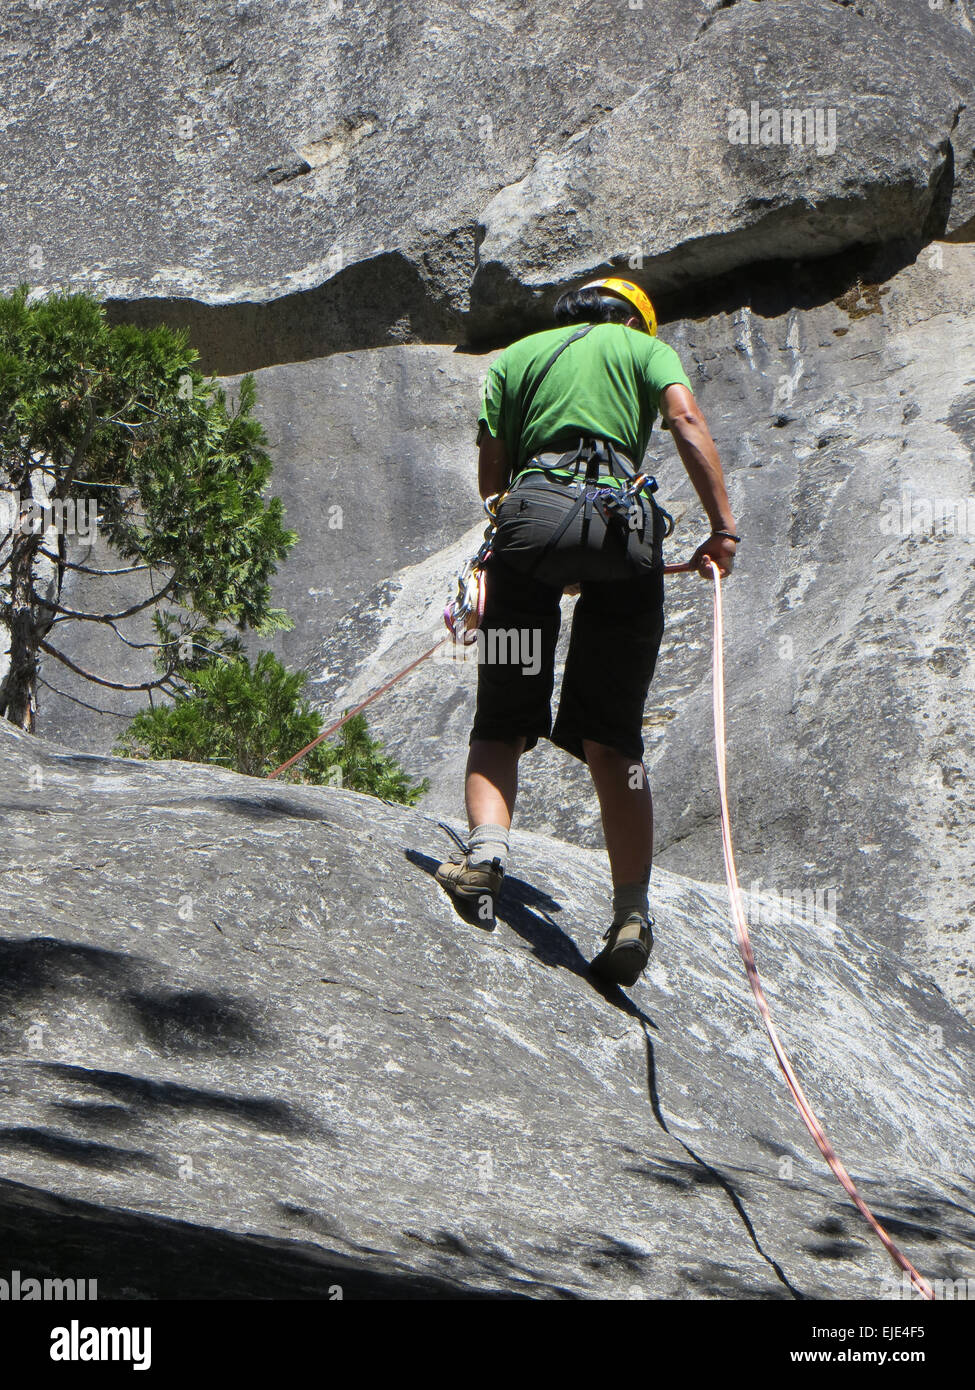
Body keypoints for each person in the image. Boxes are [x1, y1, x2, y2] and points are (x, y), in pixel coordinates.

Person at [436, 278, 738, 988]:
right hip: (623, 538)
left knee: (503, 714)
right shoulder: (641, 349)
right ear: (636, 321)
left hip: (528, 529)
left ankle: (482, 859)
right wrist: (720, 530)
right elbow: (686, 422)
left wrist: (545, 548)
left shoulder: (516, 358)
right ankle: (631, 912)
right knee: (614, 739)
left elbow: (492, 482)